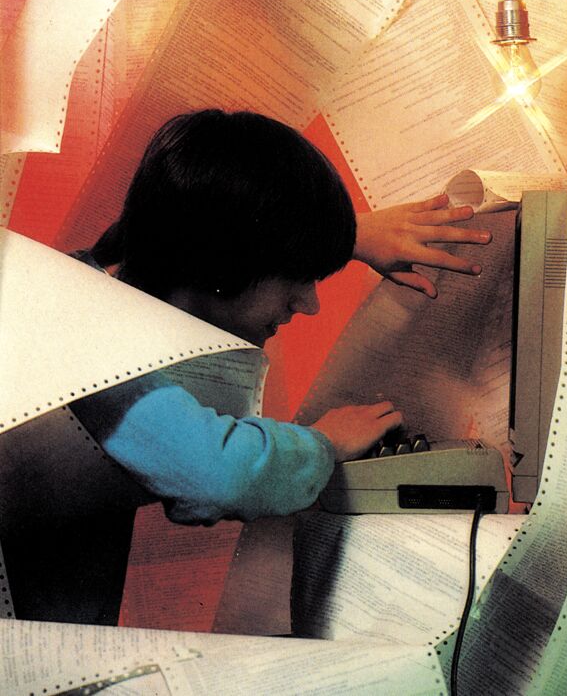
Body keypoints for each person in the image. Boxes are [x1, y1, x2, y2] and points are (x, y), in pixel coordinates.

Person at [1, 109, 491, 625]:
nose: (309, 305)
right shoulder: (90, 345)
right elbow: (219, 474)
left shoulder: (91, 280)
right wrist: (324, 444)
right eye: (295, 279)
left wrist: (340, 238)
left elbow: (189, 218)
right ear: (222, 264)